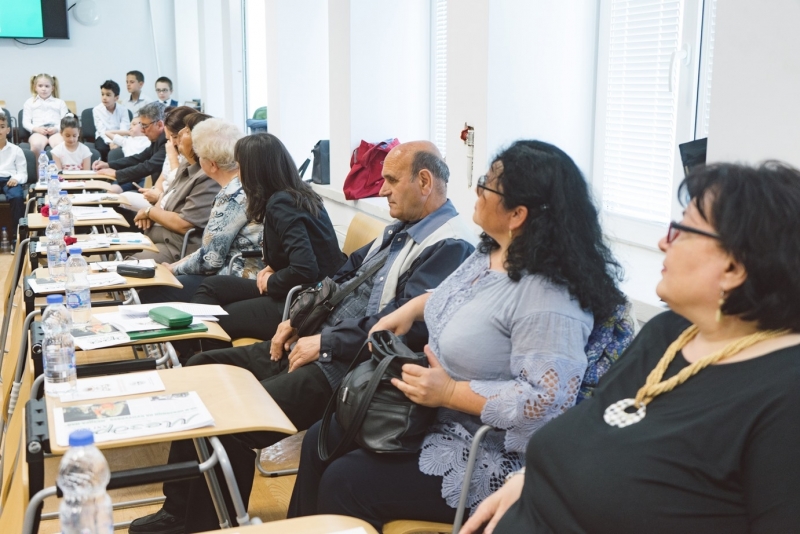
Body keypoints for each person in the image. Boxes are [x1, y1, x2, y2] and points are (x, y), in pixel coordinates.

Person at [129, 140, 478, 534]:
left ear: (425, 182)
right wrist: (296, 320)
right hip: (316, 343)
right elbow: (342, 273)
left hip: (348, 368)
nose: (381, 190)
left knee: (233, 421)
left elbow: (406, 326)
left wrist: (325, 342)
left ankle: (203, 525)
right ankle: (178, 509)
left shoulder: (450, 245)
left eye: (392, 181)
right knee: (201, 369)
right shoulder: (401, 228)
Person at [287, 140, 630, 530]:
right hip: (431, 415)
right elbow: (459, 297)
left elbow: (545, 402)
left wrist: (449, 392)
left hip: (483, 447)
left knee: (346, 482)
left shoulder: (549, 298)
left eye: (487, 185)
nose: (477, 190)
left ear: (518, 214)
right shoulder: (491, 253)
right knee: (321, 439)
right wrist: (413, 307)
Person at [460, 161, 800, 534]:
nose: (663, 243)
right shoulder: (668, 333)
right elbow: (593, 427)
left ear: (734, 267)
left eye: (682, 231)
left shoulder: (785, 393)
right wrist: (530, 478)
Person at [186, 132, 346, 350]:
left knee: (219, 319)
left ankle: (202, 357)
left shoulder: (282, 204)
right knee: (211, 286)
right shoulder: (298, 193)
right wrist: (273, 266)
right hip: (302, 288)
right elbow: (301, 252)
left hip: (303, 300)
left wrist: (271, 282)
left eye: (240, 167)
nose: (238, 174)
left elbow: (305, 269)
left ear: (255, 171)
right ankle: (198, 350)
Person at [137, 118, 262, 302]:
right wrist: (177, 265)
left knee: (154, 292)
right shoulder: (247, 183)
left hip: (237, 277)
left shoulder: (231, 195)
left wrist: (173, 269)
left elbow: (210, 260)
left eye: (199, 156)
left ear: (212, 165)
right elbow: (210, 249)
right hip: (245, 272)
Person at [128, 112, 217, 265]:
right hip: (160, 236)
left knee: (128, 264)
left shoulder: (207, 176)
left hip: (176, 247)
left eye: (187, 131)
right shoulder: (186, 165)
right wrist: (151, 213)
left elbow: (184, 224)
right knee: (116, 252)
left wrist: (150, 212)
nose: (180, 134)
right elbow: (166, 197)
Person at [119, 106, 195, 212]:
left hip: (172, 202)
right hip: (161, 198)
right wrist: (155, 194)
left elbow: (179, 188)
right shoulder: (169, 144)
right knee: (123, 198)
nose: (172, 142)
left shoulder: (186, 154)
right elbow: (162, 177)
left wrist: (152, 210)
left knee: (124, 199)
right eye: (169, 139)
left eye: (175, 137)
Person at [92, 101, 166, 192]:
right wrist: (108, 165)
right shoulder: (157, 140)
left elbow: (150, 166)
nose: (142, 130)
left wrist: (116, 173)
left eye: (145, 126)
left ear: (159, 125)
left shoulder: (167, 141)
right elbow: (138, 158)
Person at [22, 73, 68, 157]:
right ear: (35, 87)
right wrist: (36, 129)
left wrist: (56, 128)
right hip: (38, 132)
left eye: (47, 86)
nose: (43, 89)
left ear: (52, 88)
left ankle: (59, 166)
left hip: (56, 132)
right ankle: (38, 166)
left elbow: (65, 121)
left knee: (60, 144)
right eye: (40, 86)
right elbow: (26, 122)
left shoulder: (60, 103)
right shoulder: (29, 102)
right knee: (36, 145)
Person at [0, 114, 27, 241]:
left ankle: (18, 238)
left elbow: (23, 173)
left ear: (8, 130)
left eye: (2, 126)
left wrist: (16, 179)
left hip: (9, 180)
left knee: (17, 197)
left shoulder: (16, 150)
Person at [92, 79, 130, 161]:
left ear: (116, 98)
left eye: (108, 95)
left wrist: (118, 141)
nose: (104, 98)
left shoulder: (123, 110)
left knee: (126, 148)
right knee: (102, 148)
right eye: (102, 94)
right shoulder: (96, 110)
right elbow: (101, 130)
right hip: (103, 137)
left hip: (120, 136)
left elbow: (124, 129)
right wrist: (110, 142)